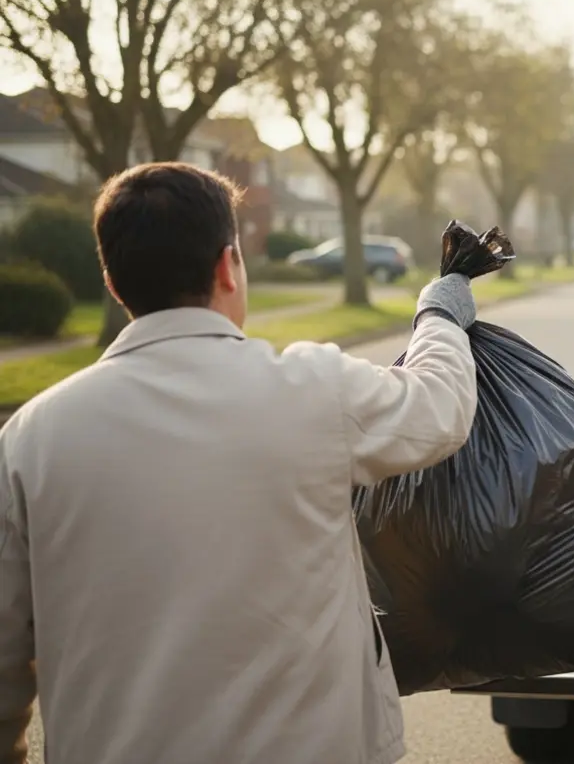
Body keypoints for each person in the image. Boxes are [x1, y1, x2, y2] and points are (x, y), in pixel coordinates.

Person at [0, 162, 482, 764]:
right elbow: (440, 408)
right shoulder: (311, 390)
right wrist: (438, 313)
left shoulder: (30, 440)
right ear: (228, 266)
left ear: (113, 280)